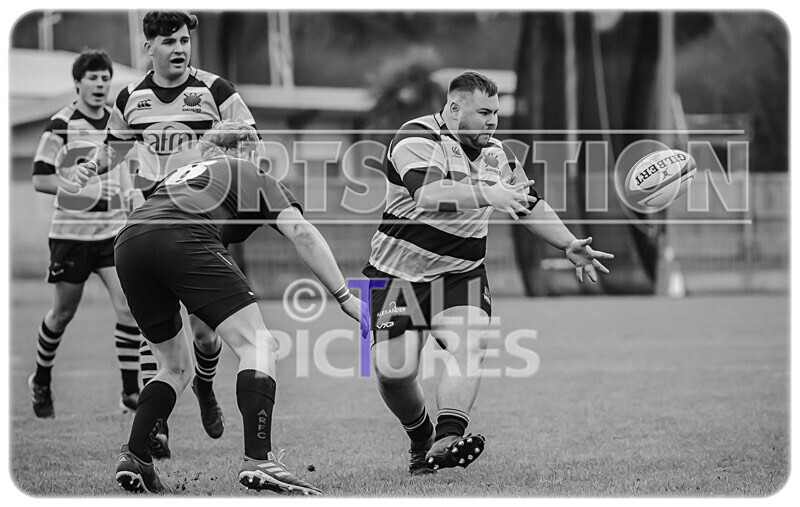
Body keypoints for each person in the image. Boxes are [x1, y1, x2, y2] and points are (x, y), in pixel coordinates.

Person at [74, 120, 361, 494]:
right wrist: (343, 295)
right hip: (183, 235)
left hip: (129, 240)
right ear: (242, 151)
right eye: (256, 150)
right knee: (259, 345)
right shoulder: (246, 170)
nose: (261, 159)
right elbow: (302, 232)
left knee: (174, 367)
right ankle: (259, 459)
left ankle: (136, 454)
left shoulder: (178, 175)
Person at [362, 71, 614, 475]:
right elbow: (428, 195)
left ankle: (447, 438)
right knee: (394, 373)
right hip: (397, 275)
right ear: (454, 107)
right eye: (484, 112)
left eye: (496, 112)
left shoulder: (498, 154)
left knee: (470, 346)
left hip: (461, 275)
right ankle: (421, 438)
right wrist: (487, 193)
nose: (493, 121)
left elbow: (529, 204)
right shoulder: (416, 138)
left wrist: (568, 244)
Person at [82, 11, 260, 456]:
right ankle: (156, 429)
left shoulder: (215, 90)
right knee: (158, 339)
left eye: (184, 40)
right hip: (150, 223)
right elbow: (115, 147)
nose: (179, 48)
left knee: (203, 335)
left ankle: (204, 385)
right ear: (149, 48)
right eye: (169, 42)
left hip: (200, 226)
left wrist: (217, 141)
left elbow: (250, 136)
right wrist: (91, 164)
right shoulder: (130, 97)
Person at [28, 49, 142, 419]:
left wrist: (132, 194)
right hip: (71, 235)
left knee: (128, 308)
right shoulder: (60, 124)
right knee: (62, 314)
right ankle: (41, 380)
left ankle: (129, 392)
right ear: (77, 83)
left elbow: (128, 165)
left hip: (111, 234)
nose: (100, 84)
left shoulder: (118, 122)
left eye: (105, 78)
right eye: (92, 78)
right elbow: (40, 178)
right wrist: (80, 189)